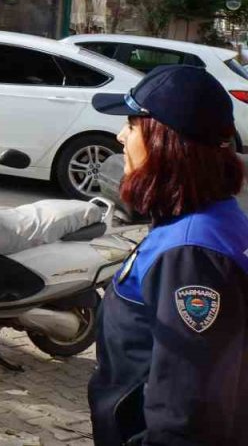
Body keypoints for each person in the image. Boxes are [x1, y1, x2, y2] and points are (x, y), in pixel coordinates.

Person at [88, 64, 248, 445]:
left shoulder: (191, 253)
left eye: (132, 122)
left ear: (166, 141)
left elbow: (187, 413)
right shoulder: (201, 222)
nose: (120, 135)